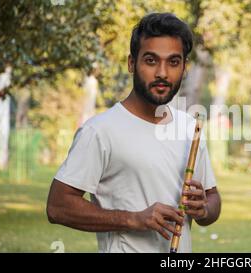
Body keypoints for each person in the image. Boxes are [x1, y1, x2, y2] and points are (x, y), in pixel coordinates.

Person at [46, 13, 221, 253]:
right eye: (151, 60)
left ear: (184, 67)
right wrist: (134, 219)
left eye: (173, 62)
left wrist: (204, 209)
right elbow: (58, 206)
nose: (162, 73)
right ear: (131, 63)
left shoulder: (191, 127)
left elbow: (212, 200)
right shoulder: (100, 131)